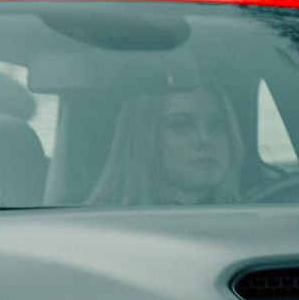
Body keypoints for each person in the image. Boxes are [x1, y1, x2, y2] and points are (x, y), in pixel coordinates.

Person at [88, 80, 248, 206]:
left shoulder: (255, 214)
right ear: (143, 140)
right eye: (181, 126)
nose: (205, 139)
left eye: (218, 125)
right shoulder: (100, 228)